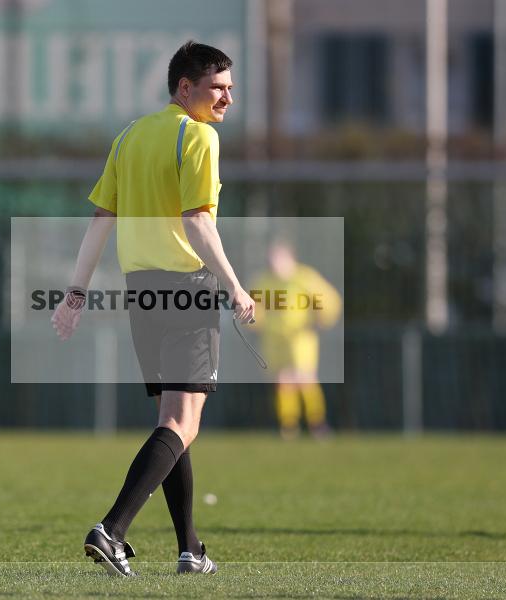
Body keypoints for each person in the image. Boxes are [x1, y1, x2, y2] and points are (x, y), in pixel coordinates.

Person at [50, 40, 255, 577]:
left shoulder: (129, 135)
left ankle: (190, 548)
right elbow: (197, 220)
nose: (227, 98)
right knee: (183, 422)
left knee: (173, 420)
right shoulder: (198, 136)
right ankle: (111, 530)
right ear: (184, 88)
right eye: (217, 87)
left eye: (231, 88)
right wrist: (235, 285)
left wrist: (75, 293)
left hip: (143, 292)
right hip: (187, 289)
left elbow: (101, 221)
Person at [251, 240, 342, 439]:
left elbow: (329, 300)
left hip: (301, 337)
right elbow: (253, 308)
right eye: (272, 258)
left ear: (290, 258)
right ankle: (288, 427)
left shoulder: (304, 278)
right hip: (274, 338)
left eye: (279, 258)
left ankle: (317, 424)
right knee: (283, 381)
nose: (275, 262)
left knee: (304, 378)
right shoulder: (264, 281)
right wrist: (255, 322)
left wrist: (322, 318)